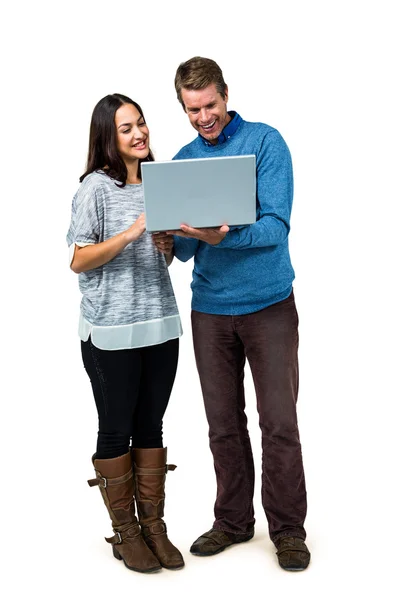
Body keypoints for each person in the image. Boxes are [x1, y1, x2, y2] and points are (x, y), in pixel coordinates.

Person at [154, 57, 310, 571]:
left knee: (279, 422)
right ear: (184, 106)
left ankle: (288, 530)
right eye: (193, 109)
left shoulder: (265, 143)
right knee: (222, 425)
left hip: (268, 306)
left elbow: (275, 227)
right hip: (211, 312)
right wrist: (167, 235)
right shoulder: (182, 160)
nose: (204, 117)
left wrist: (222, 235)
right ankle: (233, 523)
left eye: (211, 105)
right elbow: (182, 252)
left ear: (225, 95)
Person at [66, 94, 184, 573]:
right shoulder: (95, 188)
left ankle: (154, 527)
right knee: (116, 428)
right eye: (125, 128)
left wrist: (165, 243)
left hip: (160, 322)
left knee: (151, 426)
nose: (139, 133)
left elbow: (166, 258)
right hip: (111, 330)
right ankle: (126, 531)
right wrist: (131, 233)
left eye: (141, 123)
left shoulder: (160, 182)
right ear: (107, 138)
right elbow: (78, 260)